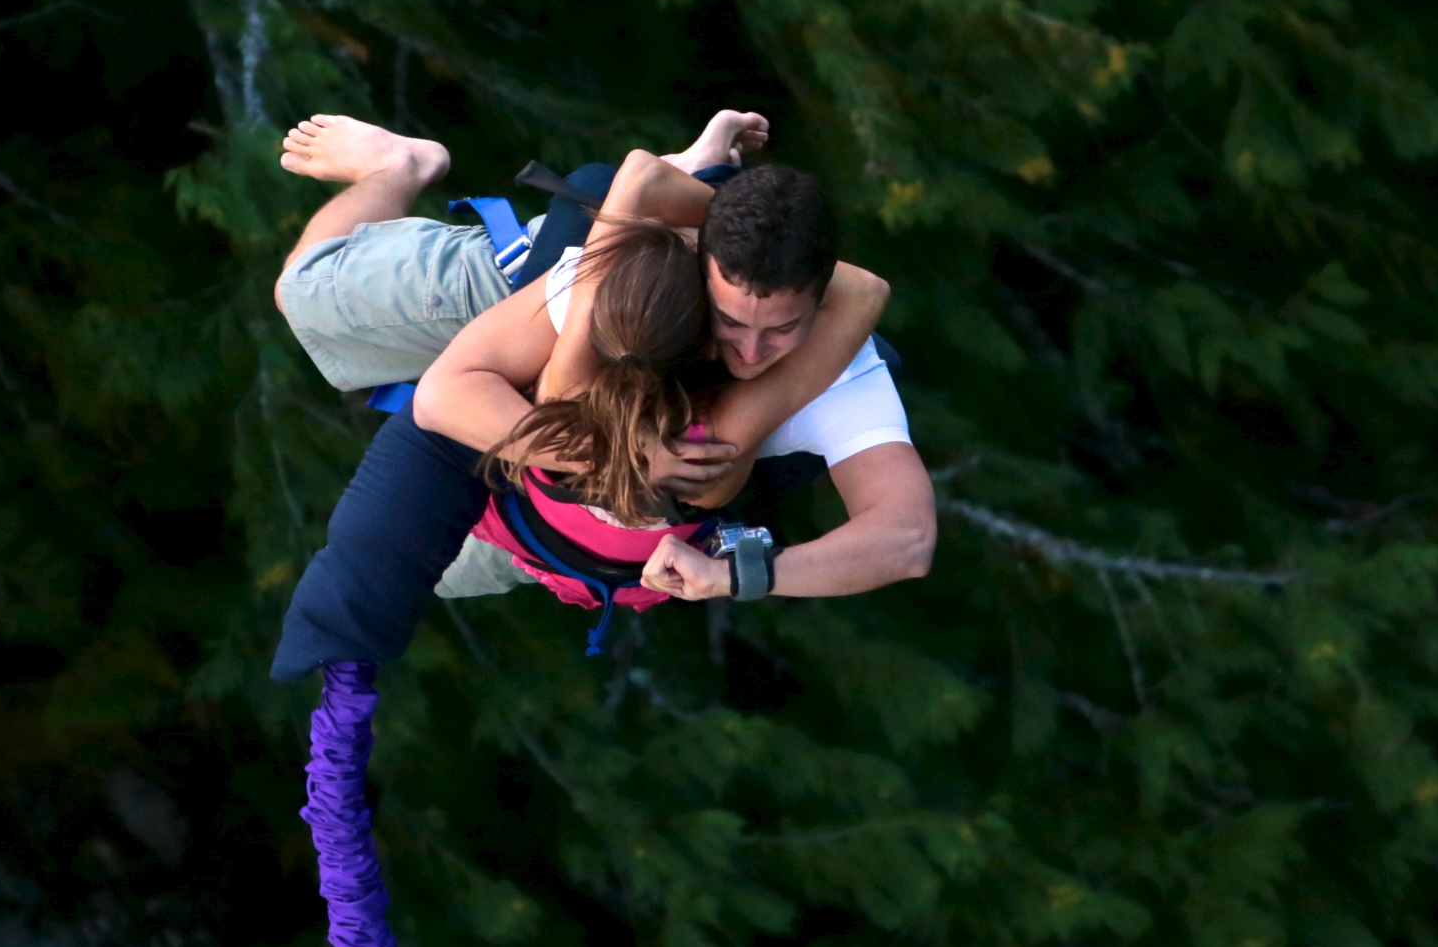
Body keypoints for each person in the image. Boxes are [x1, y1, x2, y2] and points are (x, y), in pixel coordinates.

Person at [266, 110, 937, 683]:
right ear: (699, 263)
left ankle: (702, 174)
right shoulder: (638, 277)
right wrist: (608, 456)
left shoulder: (846, 369)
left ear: (819, 303)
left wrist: (739, 575)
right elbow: (446, 396)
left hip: (571, 508)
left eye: (782, 330)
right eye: (732, 321)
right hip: (523, 298)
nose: (752, 352)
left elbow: (905, 538)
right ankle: (400, 166)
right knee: (302, 294)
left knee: (437, 572)